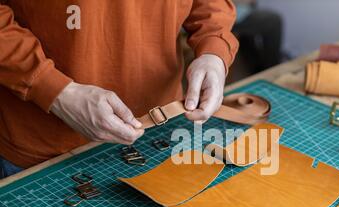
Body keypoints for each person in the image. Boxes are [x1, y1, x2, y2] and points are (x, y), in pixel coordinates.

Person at [0, 0, 239, 179]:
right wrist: (53, 89)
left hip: (162, 132)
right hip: (44, 147)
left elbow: (210, 6)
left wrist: (213, 53)